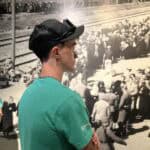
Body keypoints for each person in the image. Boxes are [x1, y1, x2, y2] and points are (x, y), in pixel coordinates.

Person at [18, 19, 100, 150]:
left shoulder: (26, 96)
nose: (76, 54)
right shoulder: (68, 100)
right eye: (72, 46)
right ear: (56, 52)